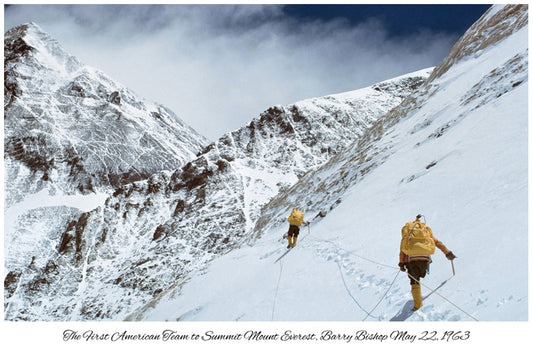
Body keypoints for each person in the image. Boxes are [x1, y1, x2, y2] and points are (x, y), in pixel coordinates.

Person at [398, 214, 456, 311]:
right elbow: (437, 243)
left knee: (414, 281)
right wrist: (448, 253)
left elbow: (402, 250)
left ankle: (418, 305)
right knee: (419, 277)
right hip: (425, 259)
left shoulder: (408, 234)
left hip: (412, 260)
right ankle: (418, 300)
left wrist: (402, 264)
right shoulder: (425, 231)